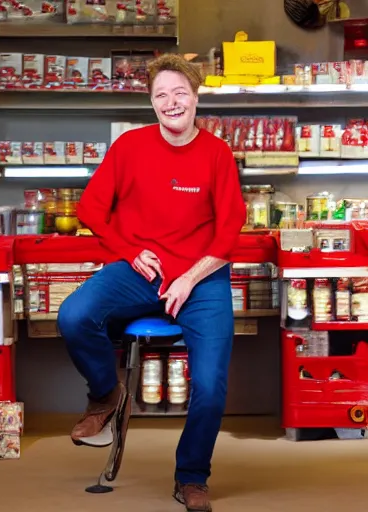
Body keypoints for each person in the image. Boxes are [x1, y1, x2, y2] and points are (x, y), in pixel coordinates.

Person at [57, 53, 246, 512]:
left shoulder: (217, 154)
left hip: (202, 279)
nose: (171, 102)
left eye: (180, 92)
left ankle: (191, 476)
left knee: (210, 382)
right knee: (74, 315)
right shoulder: (130, 147)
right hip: (142, 272)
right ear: (152, 102)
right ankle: (105, 394)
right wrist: (128, 250)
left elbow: (229, 231)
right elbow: (90, 210)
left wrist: (191, 278)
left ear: (196, 96)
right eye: (161, 94)